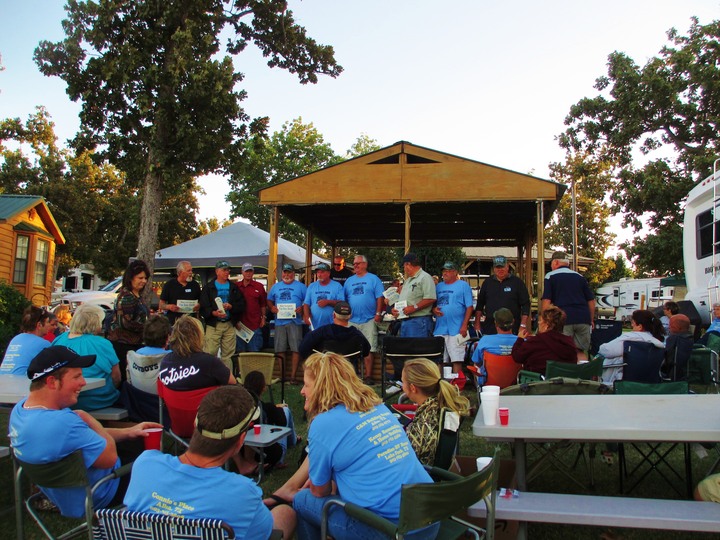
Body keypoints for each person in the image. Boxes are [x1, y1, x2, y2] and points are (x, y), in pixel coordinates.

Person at [288, 352, 439, 540]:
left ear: (320, 389)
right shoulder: (376, 405)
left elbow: (320, 491)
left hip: (393, 531)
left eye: (307, 385)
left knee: (303, 500)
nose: (302, 391)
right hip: (429, 519)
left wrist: (323, 483)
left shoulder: (323, 424)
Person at [123, 385, 296, 539]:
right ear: (240, 441)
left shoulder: (145, 463)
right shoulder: (242, 493)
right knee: (285, 513)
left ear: (194, 423)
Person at [9, 346, 160, 518]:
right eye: (77, 376)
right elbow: (109, 457)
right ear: (52, 382)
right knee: (155, 461)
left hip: (66, 493)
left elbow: (84, 437)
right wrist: (88, 418)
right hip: (101, 492)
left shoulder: (21, 411)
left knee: (136, 439)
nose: (83, 382)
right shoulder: (61, 423)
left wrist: (129, 431)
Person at [401, 358, 470, 466]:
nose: (402, 386)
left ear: (412, 388)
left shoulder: (424, 424)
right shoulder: (440, 406)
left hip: (419, 479)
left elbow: (411, 463)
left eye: (403, 382)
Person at [52, 304, 121, 411]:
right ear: (95, 322)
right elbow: (116, 377)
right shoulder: (103, 343)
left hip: (64, 400)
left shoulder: (59, 340)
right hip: (99, 399)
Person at [541, 251, 595, 360]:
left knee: (562, 351)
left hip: (563, 319)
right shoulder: (580, 277)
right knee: (580, 351)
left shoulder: (550, 276)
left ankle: (565, 375)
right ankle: (582, 374)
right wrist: (591, 319)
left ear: (555, 262)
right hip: (583, 318)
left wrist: (544, 320)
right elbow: (591, 300)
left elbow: (546, 300)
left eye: (551, 264)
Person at [158, 316, 236, 390]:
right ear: (199, 336)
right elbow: (233, 383)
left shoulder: (166, 361)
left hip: (173, 403)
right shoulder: (209, 361)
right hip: (205, 403)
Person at [243, 370, 299, 468]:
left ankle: (294, 439)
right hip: (268, 456)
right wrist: (278, 409)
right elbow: (282, 421)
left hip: (243, 450)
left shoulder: (241, 406)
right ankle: (292, 442)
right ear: (263, 388)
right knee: (285, 410)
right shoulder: (265, 408)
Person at [343, 255, 385, 384]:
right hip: (352, 320)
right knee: (350, 348)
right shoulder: (349, 281)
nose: (355, 266)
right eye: (354, 264)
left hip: (369, 319)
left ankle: (368, 376)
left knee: (369, 348)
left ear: (365, 264)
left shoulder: (374, 279)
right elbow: (344, 300)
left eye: (358, 263)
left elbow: (380, 298)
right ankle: (352, 375)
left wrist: (378, 313)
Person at [107, 259, 151, 379]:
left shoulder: (136, 295)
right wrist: (149, 327)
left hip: (134, 345)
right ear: (131, 278)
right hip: (124, 347)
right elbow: (126, 323)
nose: (144, 281)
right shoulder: (127, 296)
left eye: (145, 278)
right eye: (140, 278)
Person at [200, 260, 246, 371]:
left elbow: (242, 305)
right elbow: (203, 306)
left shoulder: (233, 287)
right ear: (217, 271)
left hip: (229, 324)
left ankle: (227, 379)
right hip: (214, 325)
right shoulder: (208, 287)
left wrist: (231, 307)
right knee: (210, 352)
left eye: (228, 270)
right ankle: (209, 378)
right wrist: (213, 313)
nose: (227, 272)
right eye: (224, 270)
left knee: (228, 355)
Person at [598, 309, 665, 383]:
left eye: (632, 323)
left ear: (640, 326)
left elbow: (606, 351)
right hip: (649, 382)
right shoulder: (658, 344)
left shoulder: (630, 338)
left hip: (623, 381)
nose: (631, 325)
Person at [267, 264, 308, 385]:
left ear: (293, 273)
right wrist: (272, 307)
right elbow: (269, 300)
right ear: (282, 273)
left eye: (289, 272)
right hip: (279, 322)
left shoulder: (301, 287)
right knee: (280, 349)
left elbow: (307, 302)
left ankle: (293, 377)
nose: (286, 275)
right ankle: (282, 376)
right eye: (284, 272)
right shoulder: (275, 287)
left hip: (295, 322)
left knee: (296, 349)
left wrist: (302, 308)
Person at [511, 305, 577, 375]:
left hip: (538, 383)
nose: (538, 323)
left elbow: (517, 356)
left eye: (541, 320)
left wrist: (520, 339)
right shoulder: (570, 344)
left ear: (547, 325)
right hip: (565, 383)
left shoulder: (536, 341)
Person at [432, 261, 474, 373]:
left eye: (448, 271)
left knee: (457, 359)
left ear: (455, 272)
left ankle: (457, 384)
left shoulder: (463, 285)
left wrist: (464, 325)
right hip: (440, 328)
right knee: (440, 359)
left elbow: (469, 307)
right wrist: (433, 309)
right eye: (444, 271)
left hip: (457, 328)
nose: (445, 273)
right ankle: (440, 383)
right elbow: (433, 304)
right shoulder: (439, 286)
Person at [473, 255, 530, 336]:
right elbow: (480, 305)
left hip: (512, 329)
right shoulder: (487, 283)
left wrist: (523, 325)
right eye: (497, 267)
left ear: (507, 267)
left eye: (502, 267)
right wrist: (477, 323)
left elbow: (526, 305)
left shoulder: (517, 282)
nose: (500, 270)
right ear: (494, 268)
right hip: (490, 328)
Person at [298, 301, 371, 361]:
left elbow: (303, 348)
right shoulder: (356, 334)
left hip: (325, 370)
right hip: (348, 371)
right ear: (350, 316)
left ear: (333, 315)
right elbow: (365, 351)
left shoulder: (322, 331)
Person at [392, 252, 437, 338]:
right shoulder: (408, 280)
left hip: (419, 321)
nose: (404, 269)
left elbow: (431, 298)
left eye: (404, 266)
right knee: (407, 350)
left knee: (418, 349)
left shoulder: (425, 277)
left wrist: (414, 307)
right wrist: (396, 310)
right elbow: (405, 299)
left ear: (408, 264)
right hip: (405, 321)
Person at [470, 308, 518, 385]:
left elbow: (477, 361)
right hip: (514, 384)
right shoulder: (521, 341)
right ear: (513, 322)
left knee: (476, 365)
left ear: (496, 323)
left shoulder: (485, 340)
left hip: (490, 385)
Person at [0, 305, 52, 375]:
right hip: (21, 383)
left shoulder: (16, 339)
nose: (49, 325)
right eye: (48, 322)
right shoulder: (44, 344)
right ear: (39, 325)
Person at [236, 262, 268, 353]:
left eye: (250, 271)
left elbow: (263, 304)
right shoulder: (236, 286)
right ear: (242, 272)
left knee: (254, 352)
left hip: (255, 325)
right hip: (239, 325)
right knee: (240, 353)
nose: (248, 273)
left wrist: (263, 318)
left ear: (253, 272)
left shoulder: (259, 286)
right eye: (246, 271)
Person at [303, 262, 344, 330]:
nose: (319, 274)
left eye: (322, 272)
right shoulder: (311, 286)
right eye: (318, 272)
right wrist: (306, 316)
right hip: (314, 326)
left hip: (332, 325)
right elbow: (306, 304)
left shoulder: (337, 286)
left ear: (328, 273)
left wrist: (328, 302)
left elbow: (342, 304)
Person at [159, 260, 201, 326]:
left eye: (191, 270)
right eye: (188, 271)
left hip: (191, 322)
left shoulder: (195, 285)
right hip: (174, 322)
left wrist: (198, 305)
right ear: (181, 272)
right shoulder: (169, 284)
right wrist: (169, 307)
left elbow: (201, 301)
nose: (191, 273)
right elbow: (161, 305)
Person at [662, 314, 693, 381]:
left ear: (678, 327)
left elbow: (667, 358)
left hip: (670, 373)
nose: (669, 327)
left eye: (671, 324)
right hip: (683, 372)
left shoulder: (674, 339)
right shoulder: (689, 337)